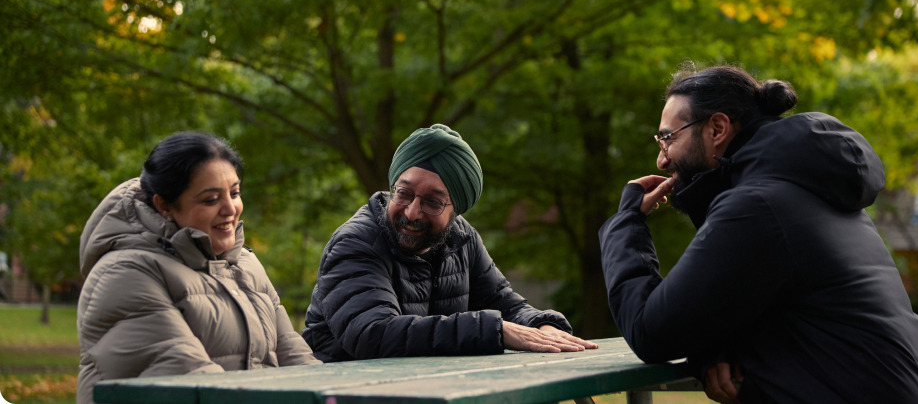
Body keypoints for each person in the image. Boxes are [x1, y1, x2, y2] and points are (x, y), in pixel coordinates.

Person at [599, 64, 918, 404]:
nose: (661, 161)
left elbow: (649, 331)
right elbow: (754, 309)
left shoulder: (758, 207)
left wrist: (627, 220)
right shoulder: (805, 187)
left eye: (668, 139)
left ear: (717, 128)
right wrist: (711, 349)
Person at [302, 124, 597, 362]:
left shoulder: (462, 239)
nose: (412, 212)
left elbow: (503, 303)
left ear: (456, 211)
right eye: (403, 193)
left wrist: (542, 326)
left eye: (432, 202)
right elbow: (374, 334)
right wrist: (493, 330)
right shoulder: (356, 243)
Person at [77, 132, 320, 404]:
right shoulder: (126, 274)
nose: (230, 208)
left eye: (235, 193)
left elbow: (296, 358)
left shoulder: (246, 264)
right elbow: (192, 382)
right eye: (211, 199)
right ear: (165, 205)